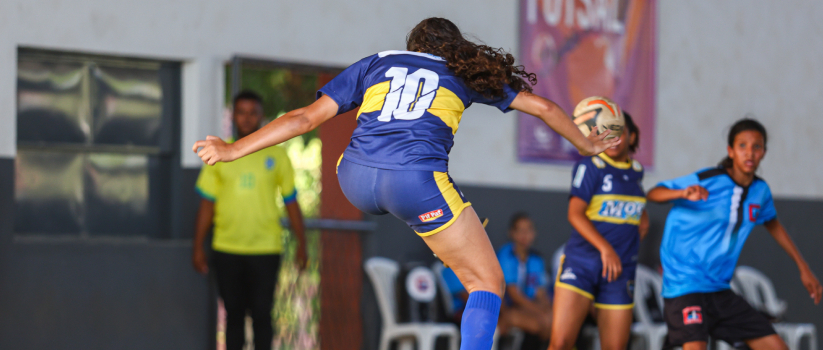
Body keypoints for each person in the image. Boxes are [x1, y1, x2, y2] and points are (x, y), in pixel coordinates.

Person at [192, 17, 621, 350]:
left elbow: (302, 118)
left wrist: (232, 149)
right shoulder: (464, 74)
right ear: (456, 49)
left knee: (408, 186)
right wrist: (584, 144)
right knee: (486, 281)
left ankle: (446, 223)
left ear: (412, 48)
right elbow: (544, 107)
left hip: (354, 178)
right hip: (415, 185)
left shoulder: (377, 63)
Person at [646, 118, 823, 350]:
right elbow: (654, 193)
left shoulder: (760, 191)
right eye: (742, 146)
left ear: (764, 153)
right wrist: (682, 192)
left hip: (720, 290)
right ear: (730, 151)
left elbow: (772, 224)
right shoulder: (709, 179)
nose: (749, 152)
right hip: (685, 285)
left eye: (756, 146)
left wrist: (803, 267)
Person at [192, 91, 308, 350]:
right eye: (241, 112)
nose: (247, 118)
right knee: (233, 317)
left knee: (262, 316)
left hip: (265, 249)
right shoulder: (219, 154)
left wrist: (303, 243)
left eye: (252, 112)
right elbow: (206, 205)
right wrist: (197, 246)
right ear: (233, 115)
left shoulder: (277, 156)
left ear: (261, 116)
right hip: (227, 248)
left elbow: (291, 202)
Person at [549, 111, 649, 350]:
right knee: (560, 344)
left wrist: (628, 245)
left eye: (619, 132)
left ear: (632, 137)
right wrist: (606, 248)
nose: (611, 138)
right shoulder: (591, 165)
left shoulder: (636, 172)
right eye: (606, 132)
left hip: (618, 271)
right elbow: (574, 214)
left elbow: (641, 218)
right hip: (582, 264)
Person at [497, 212, 552, 340]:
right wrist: (540, 312)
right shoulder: (506, 255)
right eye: (520, 230)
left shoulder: (536, 259)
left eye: (529, 230)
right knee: (539, 324)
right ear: (511, 233)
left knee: (553, 321)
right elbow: (514, 294)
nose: (525, 235)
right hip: (504, 310)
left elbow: (540, 292)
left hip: (527, 308)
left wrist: (547, 310)